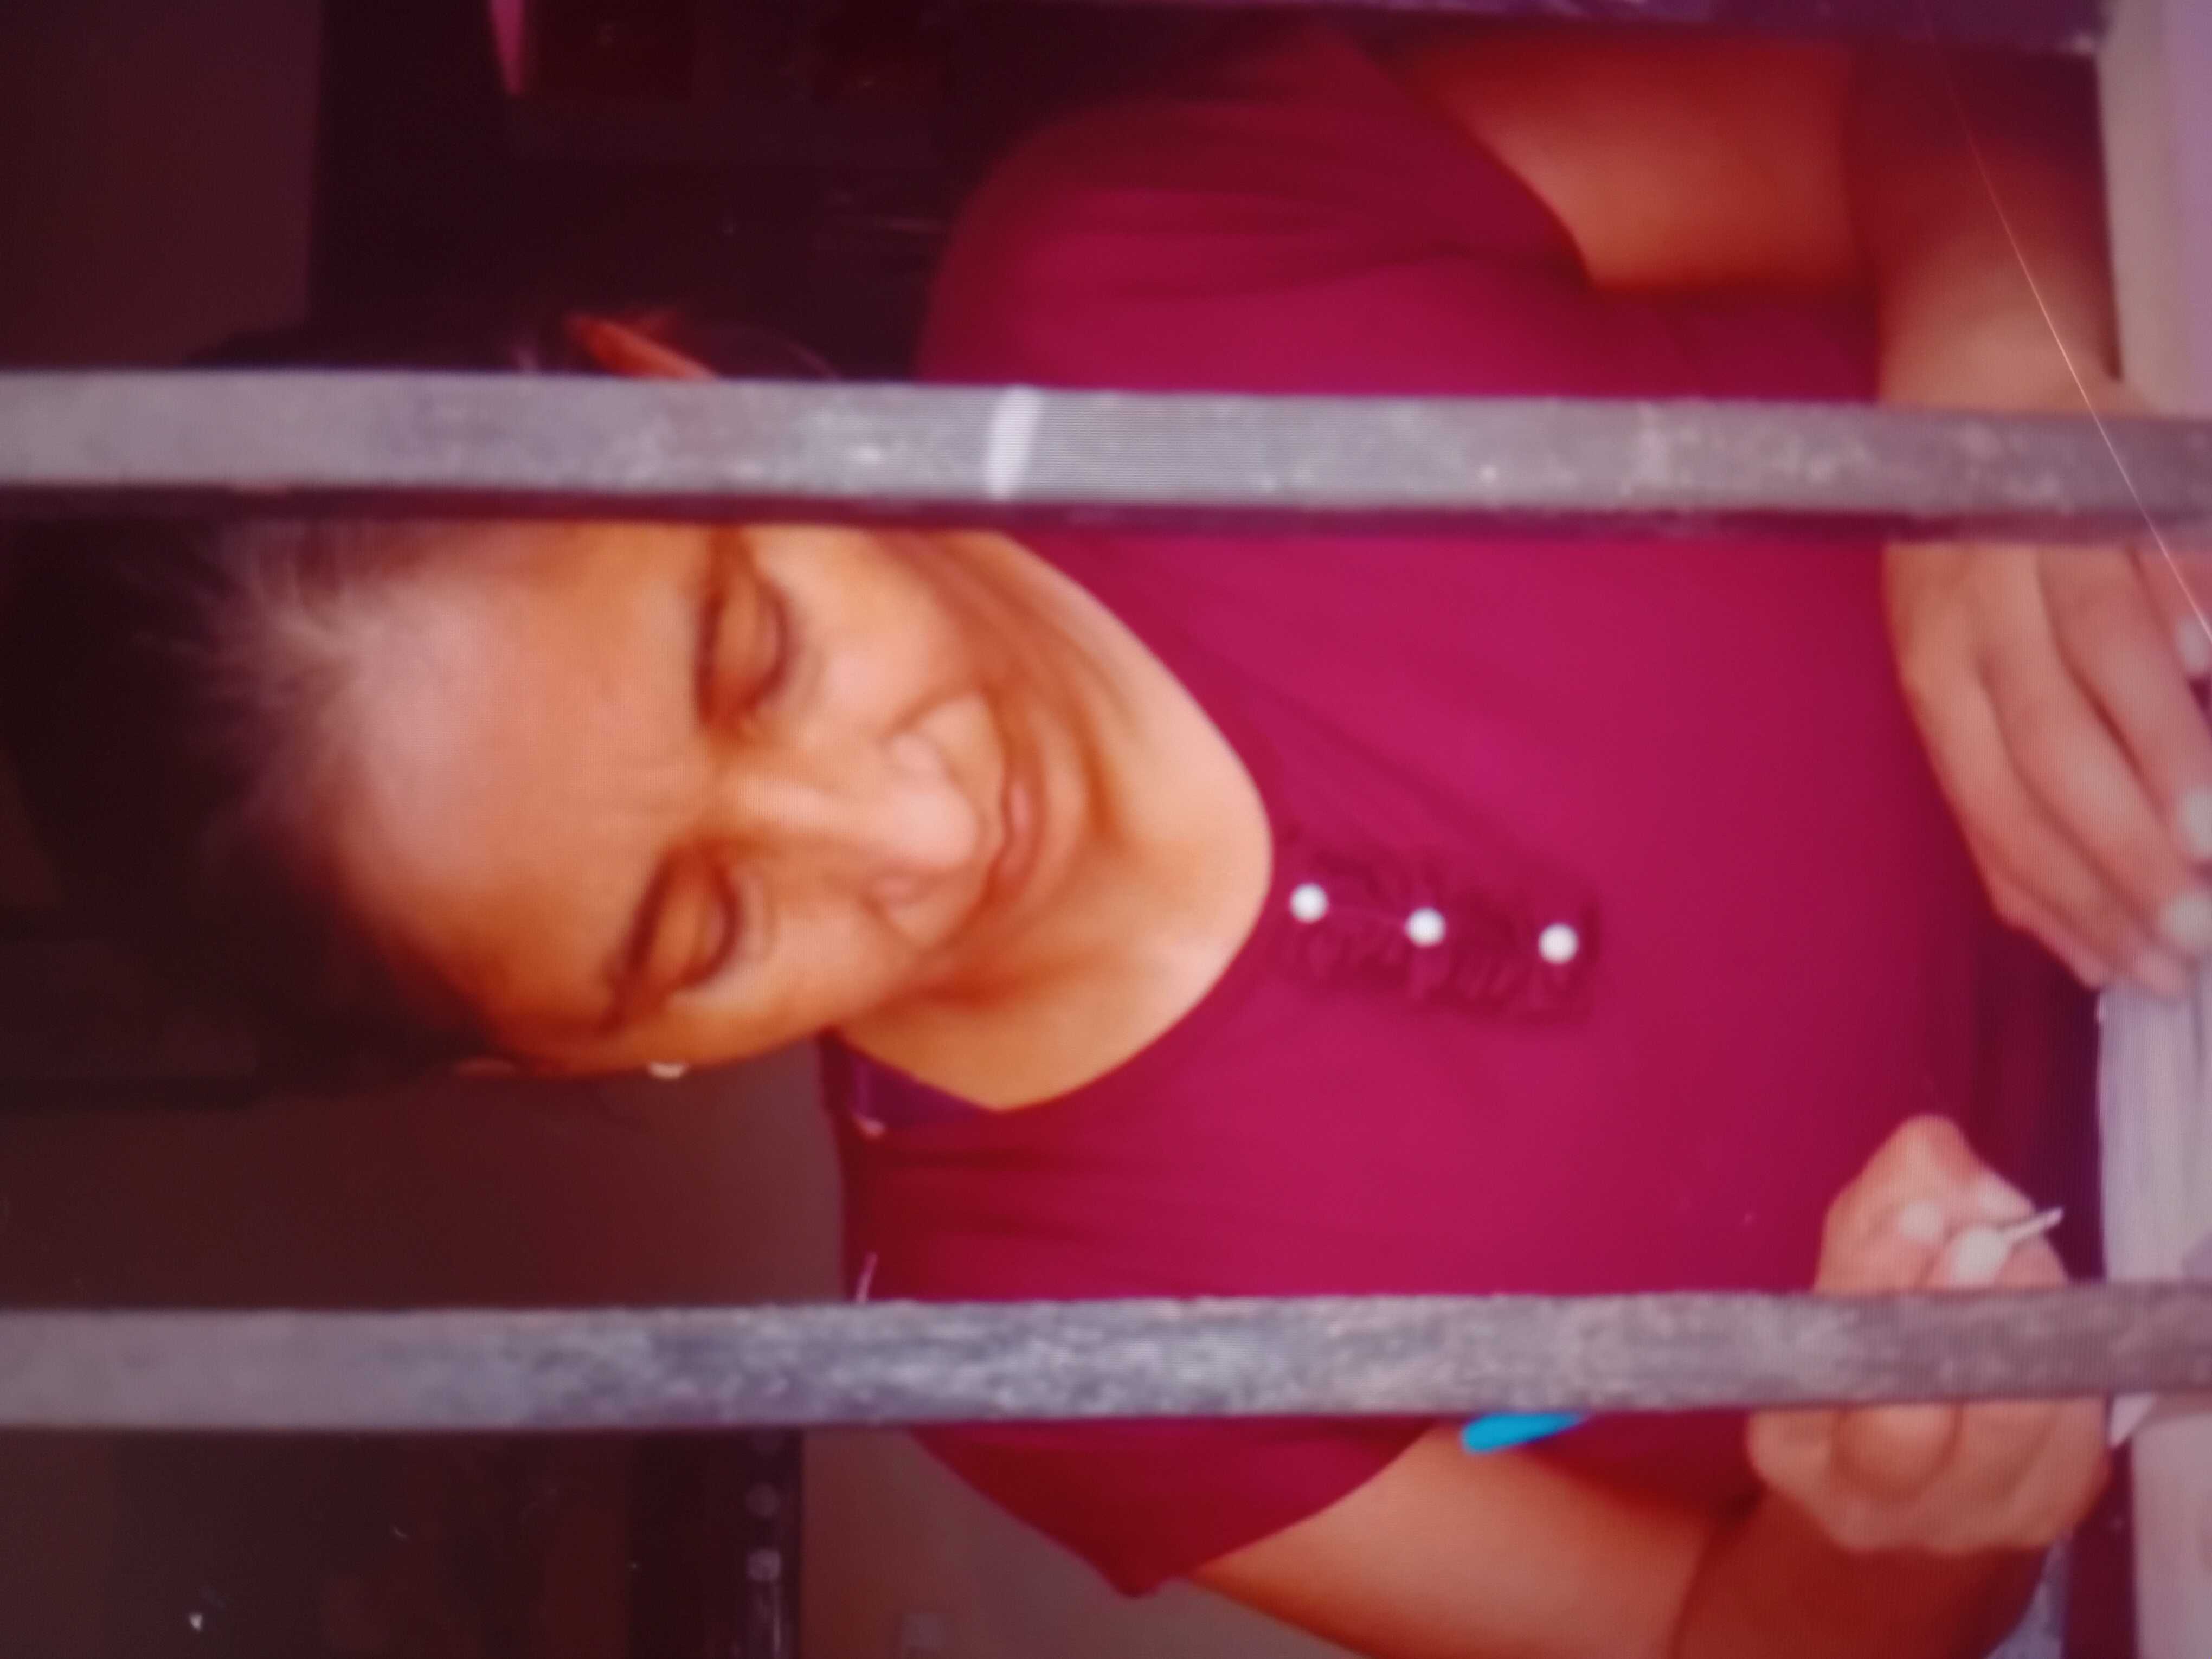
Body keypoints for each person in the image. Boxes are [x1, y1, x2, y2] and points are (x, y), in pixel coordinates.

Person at [1, 21, 2188, 1657]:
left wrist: (2003, 392)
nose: (918, 819)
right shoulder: (1029, 1344)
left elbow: (1935, 98)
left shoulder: (1140, 262)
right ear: (567, 1056)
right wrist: (1904, 1522)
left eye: (756, 651)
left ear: (666, 389)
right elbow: (1721, 1643)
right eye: (705, 924)